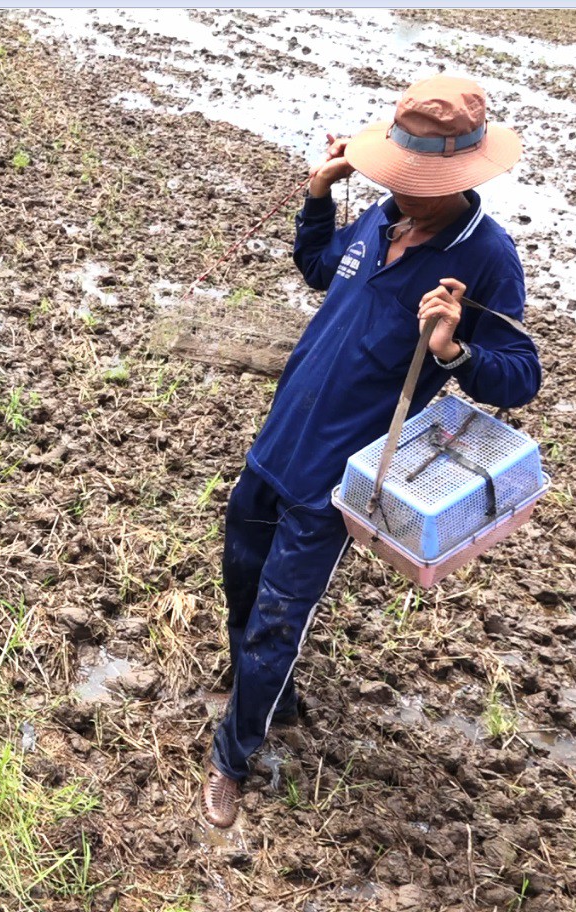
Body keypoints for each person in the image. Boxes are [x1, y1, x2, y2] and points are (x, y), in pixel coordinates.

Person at [202, 75, 542, 828]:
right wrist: (320, 197)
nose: (406, 192)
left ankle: (233, 758)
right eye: (399, 174)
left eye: (422, 183)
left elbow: (523, 377)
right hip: (277, 441)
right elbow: (323, 271)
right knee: (241, 580)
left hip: (339, 477)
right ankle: (271, 699)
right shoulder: (380, 219)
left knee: (278, 620)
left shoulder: (486, 258)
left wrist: (453, 350)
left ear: (465, 177)